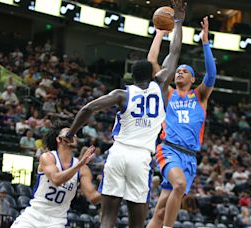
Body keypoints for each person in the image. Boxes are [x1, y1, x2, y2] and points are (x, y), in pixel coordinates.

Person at [64, 1, 184, 227]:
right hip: (140, 158)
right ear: (153, 73)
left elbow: (88, 108)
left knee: (108, 216)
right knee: (136, 222)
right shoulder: (160, 86)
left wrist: (71, 133)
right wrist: (178, 21)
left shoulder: (122, 94)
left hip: (118, 154)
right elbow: (175, 51)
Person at [146, 15, 217, 228]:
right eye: (177, 71)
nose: (179, 72)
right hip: (169, 150)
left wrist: (205, 42)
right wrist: (159, 35)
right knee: (179, 184)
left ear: (193, 79)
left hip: (190, 158)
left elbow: (212, 75)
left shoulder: (200, 96)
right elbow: (152, 64)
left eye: (184, 71)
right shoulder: (168, 93)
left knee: (159, 212)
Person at [11, 121, 101, 228]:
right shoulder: (48, 157)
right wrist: (79, 164)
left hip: (57, 222)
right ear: (59, 139)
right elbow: (56, 179)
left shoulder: (83, 169)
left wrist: (114, 183)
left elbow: (93, 198)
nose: (74, 135)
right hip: (33, 216)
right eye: (69, 133)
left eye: (74, 134)